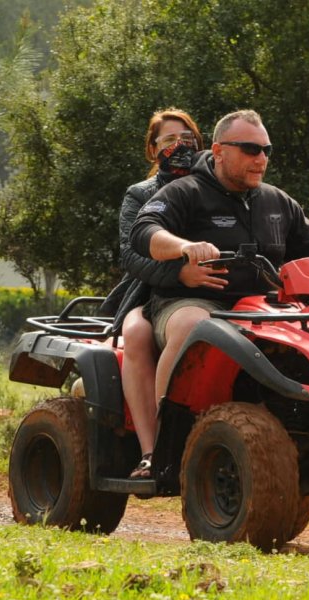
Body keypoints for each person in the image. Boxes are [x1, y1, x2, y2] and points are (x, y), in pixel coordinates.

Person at [130, 108, 309, 402]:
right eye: (250, 150)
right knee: (193, 326)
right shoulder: (185, 192)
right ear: (219, 151)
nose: (261, 159)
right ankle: (168, 436)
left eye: (266, 150)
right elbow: (144, 231)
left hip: (266, 307)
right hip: (194, 301)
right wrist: (184, 247)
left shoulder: (277, 200)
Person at [108, 108, 205, 480]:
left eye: (187, 140)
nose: (180, 147)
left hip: (208, 292)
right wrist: (178, 272)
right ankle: (151, 451)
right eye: (169, 140)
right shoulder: (140, 194)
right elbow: (130, 256)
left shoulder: (212, 186)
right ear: (152, 149)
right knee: (136, 333)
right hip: (149, 292)